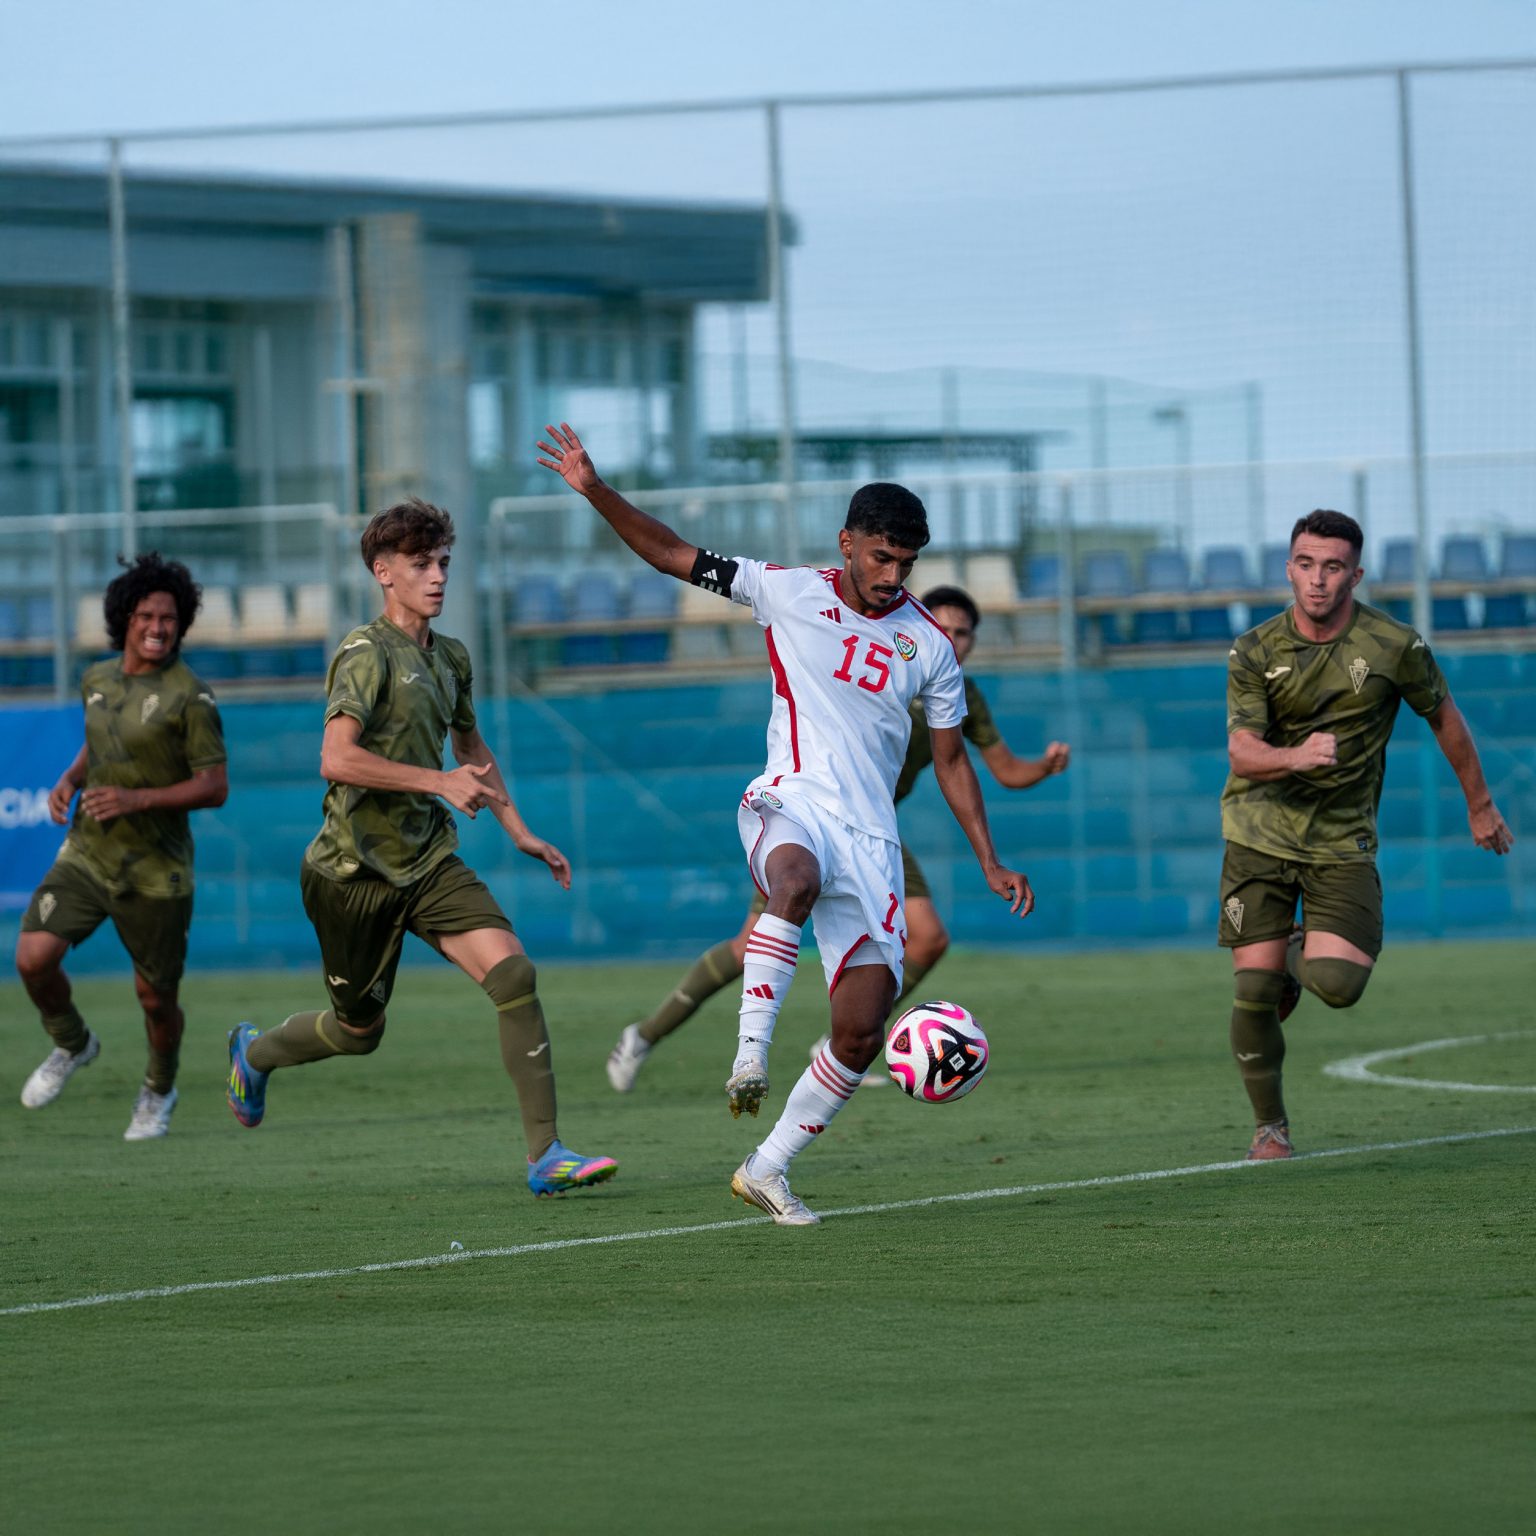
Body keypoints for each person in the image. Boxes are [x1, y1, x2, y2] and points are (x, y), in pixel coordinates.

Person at [537, 424, 1032, 1225]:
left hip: (872, 842)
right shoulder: (786, 589)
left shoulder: (931, 646)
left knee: (861, 1033)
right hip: (789, 800)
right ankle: (749, 1055)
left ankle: (766, 1168)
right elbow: (671, 554)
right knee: (791, 881)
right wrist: (595, 490)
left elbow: (950, 761)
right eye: (882, 557)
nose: (893, 576)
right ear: (847, 542)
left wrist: (989, 858)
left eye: (907, 563)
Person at [225, 497, 616, 1198]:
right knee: (358, 1033)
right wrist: (437, 782)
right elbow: (336, 759)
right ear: (384, 572)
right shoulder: (365, 652)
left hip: (429, 860)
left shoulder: (452, 657)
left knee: (514, 975)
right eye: (420, 564)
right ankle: (254, 1055)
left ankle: (546, 1155)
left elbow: (471, 748)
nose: (437, 576)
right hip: (352, 873)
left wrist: (519, 830)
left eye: (443, 562)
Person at [604, 584, 1069, 1093]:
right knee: (747, 948)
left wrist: (1043, 767)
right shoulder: (877, 663)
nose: (953, 640)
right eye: (944, 628)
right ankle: (643, 1036)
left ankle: (841, 1041)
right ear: (919, 627)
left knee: (930, 938)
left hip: (874, 834)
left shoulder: (958, 691)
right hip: (811, 818)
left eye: (964, 633)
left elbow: (1003, 769)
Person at [1220, 508, 1514, 1160]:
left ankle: (1293, 956)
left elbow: (1444, 716)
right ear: (1288, 568)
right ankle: (1270, 1128)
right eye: (1305, 564)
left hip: (1342, 839)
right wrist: (1296, 757)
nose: (1317, 579)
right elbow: (1242, 752)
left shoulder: (1394, 645)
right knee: (1252, 991)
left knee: (1338, 985)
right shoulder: (1254, 649)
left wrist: (1480, 804)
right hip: (1257, 834)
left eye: (1332, 567)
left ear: (1355, 575)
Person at [16, 552, 228, 1140]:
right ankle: (73, 1043)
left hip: (157, 872)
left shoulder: (192, 697)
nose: (158, 628)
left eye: (169, 618)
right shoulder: (97, 679)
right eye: (147, 617)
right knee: (32, 959)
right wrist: (70, 778)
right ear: (125, 620)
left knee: (155, 999)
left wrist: (136, 799)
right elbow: (100, 741)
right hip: (88, 853)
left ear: (181, 623)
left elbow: (215, 787)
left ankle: (159, 1089)